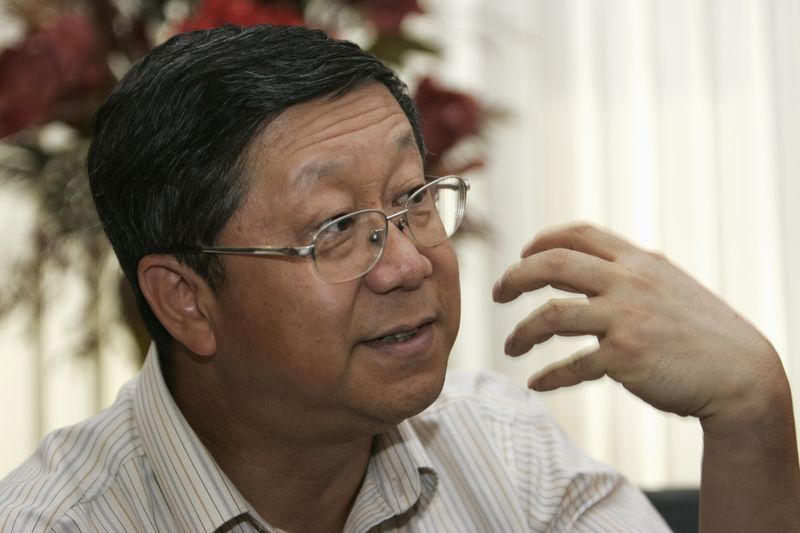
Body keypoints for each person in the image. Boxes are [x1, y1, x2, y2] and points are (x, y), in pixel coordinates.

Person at [0, 23, 797, 532]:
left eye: (414, 200)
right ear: (186, 301)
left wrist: (751, 412)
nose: (411, 263)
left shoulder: (500, 449)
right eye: (336, 228)